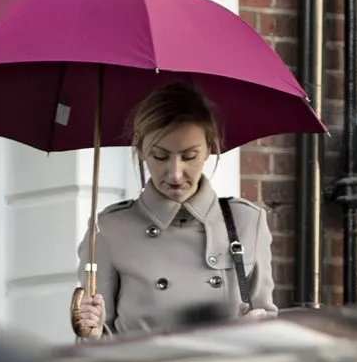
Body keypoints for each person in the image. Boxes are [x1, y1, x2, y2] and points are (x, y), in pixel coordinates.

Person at [74, 83, 276, 339]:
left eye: (189, 156)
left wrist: (257, 329)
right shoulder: (110, 230)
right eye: (160, 156)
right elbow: (97, 350)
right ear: (141, 151)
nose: (175, 173)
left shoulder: (247, 221)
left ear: (210, 148)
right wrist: (90, 334)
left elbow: (269, 334)